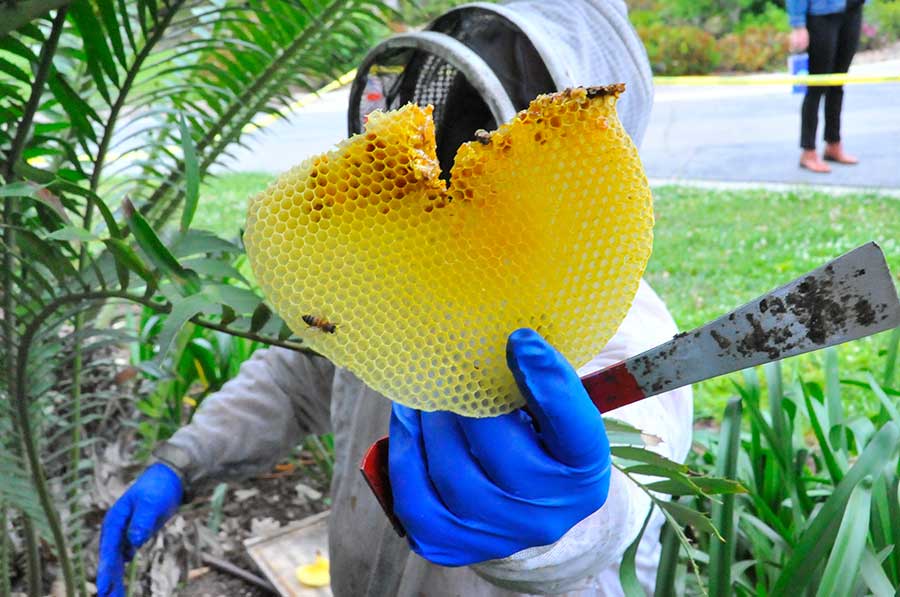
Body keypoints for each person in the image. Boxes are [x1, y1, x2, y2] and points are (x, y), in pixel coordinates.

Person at [97, 2, 693, 595]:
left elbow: (622, 489)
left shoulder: (624, 329)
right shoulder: (386, 286)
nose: (470, 143)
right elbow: (295, 377)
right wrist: (184, 461)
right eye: (463, 113)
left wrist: (544, 536)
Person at [787, 0, 865, 173]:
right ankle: (808, 151)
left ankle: (833, 144)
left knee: (837, 84)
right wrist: (798, 24)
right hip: (821, 14)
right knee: (817, 87)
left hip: (851, 9)